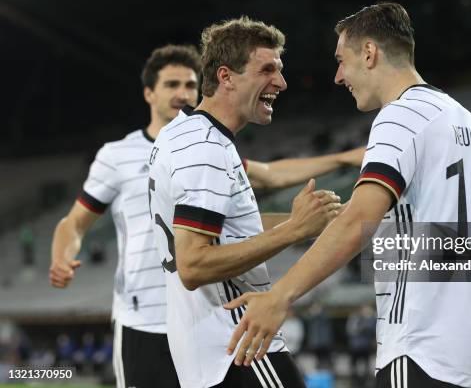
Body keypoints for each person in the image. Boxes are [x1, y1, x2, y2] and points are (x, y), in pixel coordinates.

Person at [49, 43, 363, 388]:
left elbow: (269, 179)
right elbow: (74, 222)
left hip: (193, 316)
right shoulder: (143, 153)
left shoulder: (191, 143)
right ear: (148, 93)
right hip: (148, 317)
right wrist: (62, 255)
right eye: (171, 85)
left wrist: (344, 162)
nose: (182, 92)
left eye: (188, 84)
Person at [226, 2, 471, 388]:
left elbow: (358, 221)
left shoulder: (400, 115)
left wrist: (279, 297)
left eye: (341, 60)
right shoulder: (466, 121)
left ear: (369, 53)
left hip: (419, 344)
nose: (337, 76)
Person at [148, 16, 342, 388]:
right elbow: (194, 265)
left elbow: (227, 231)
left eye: (280, 70)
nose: (281, 83)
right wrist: (293, 230)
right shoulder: (205, 149)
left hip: (210, 355)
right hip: (241, 350)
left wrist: (312, 219)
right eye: (267, 69)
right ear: (226, 77)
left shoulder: (180, 133)